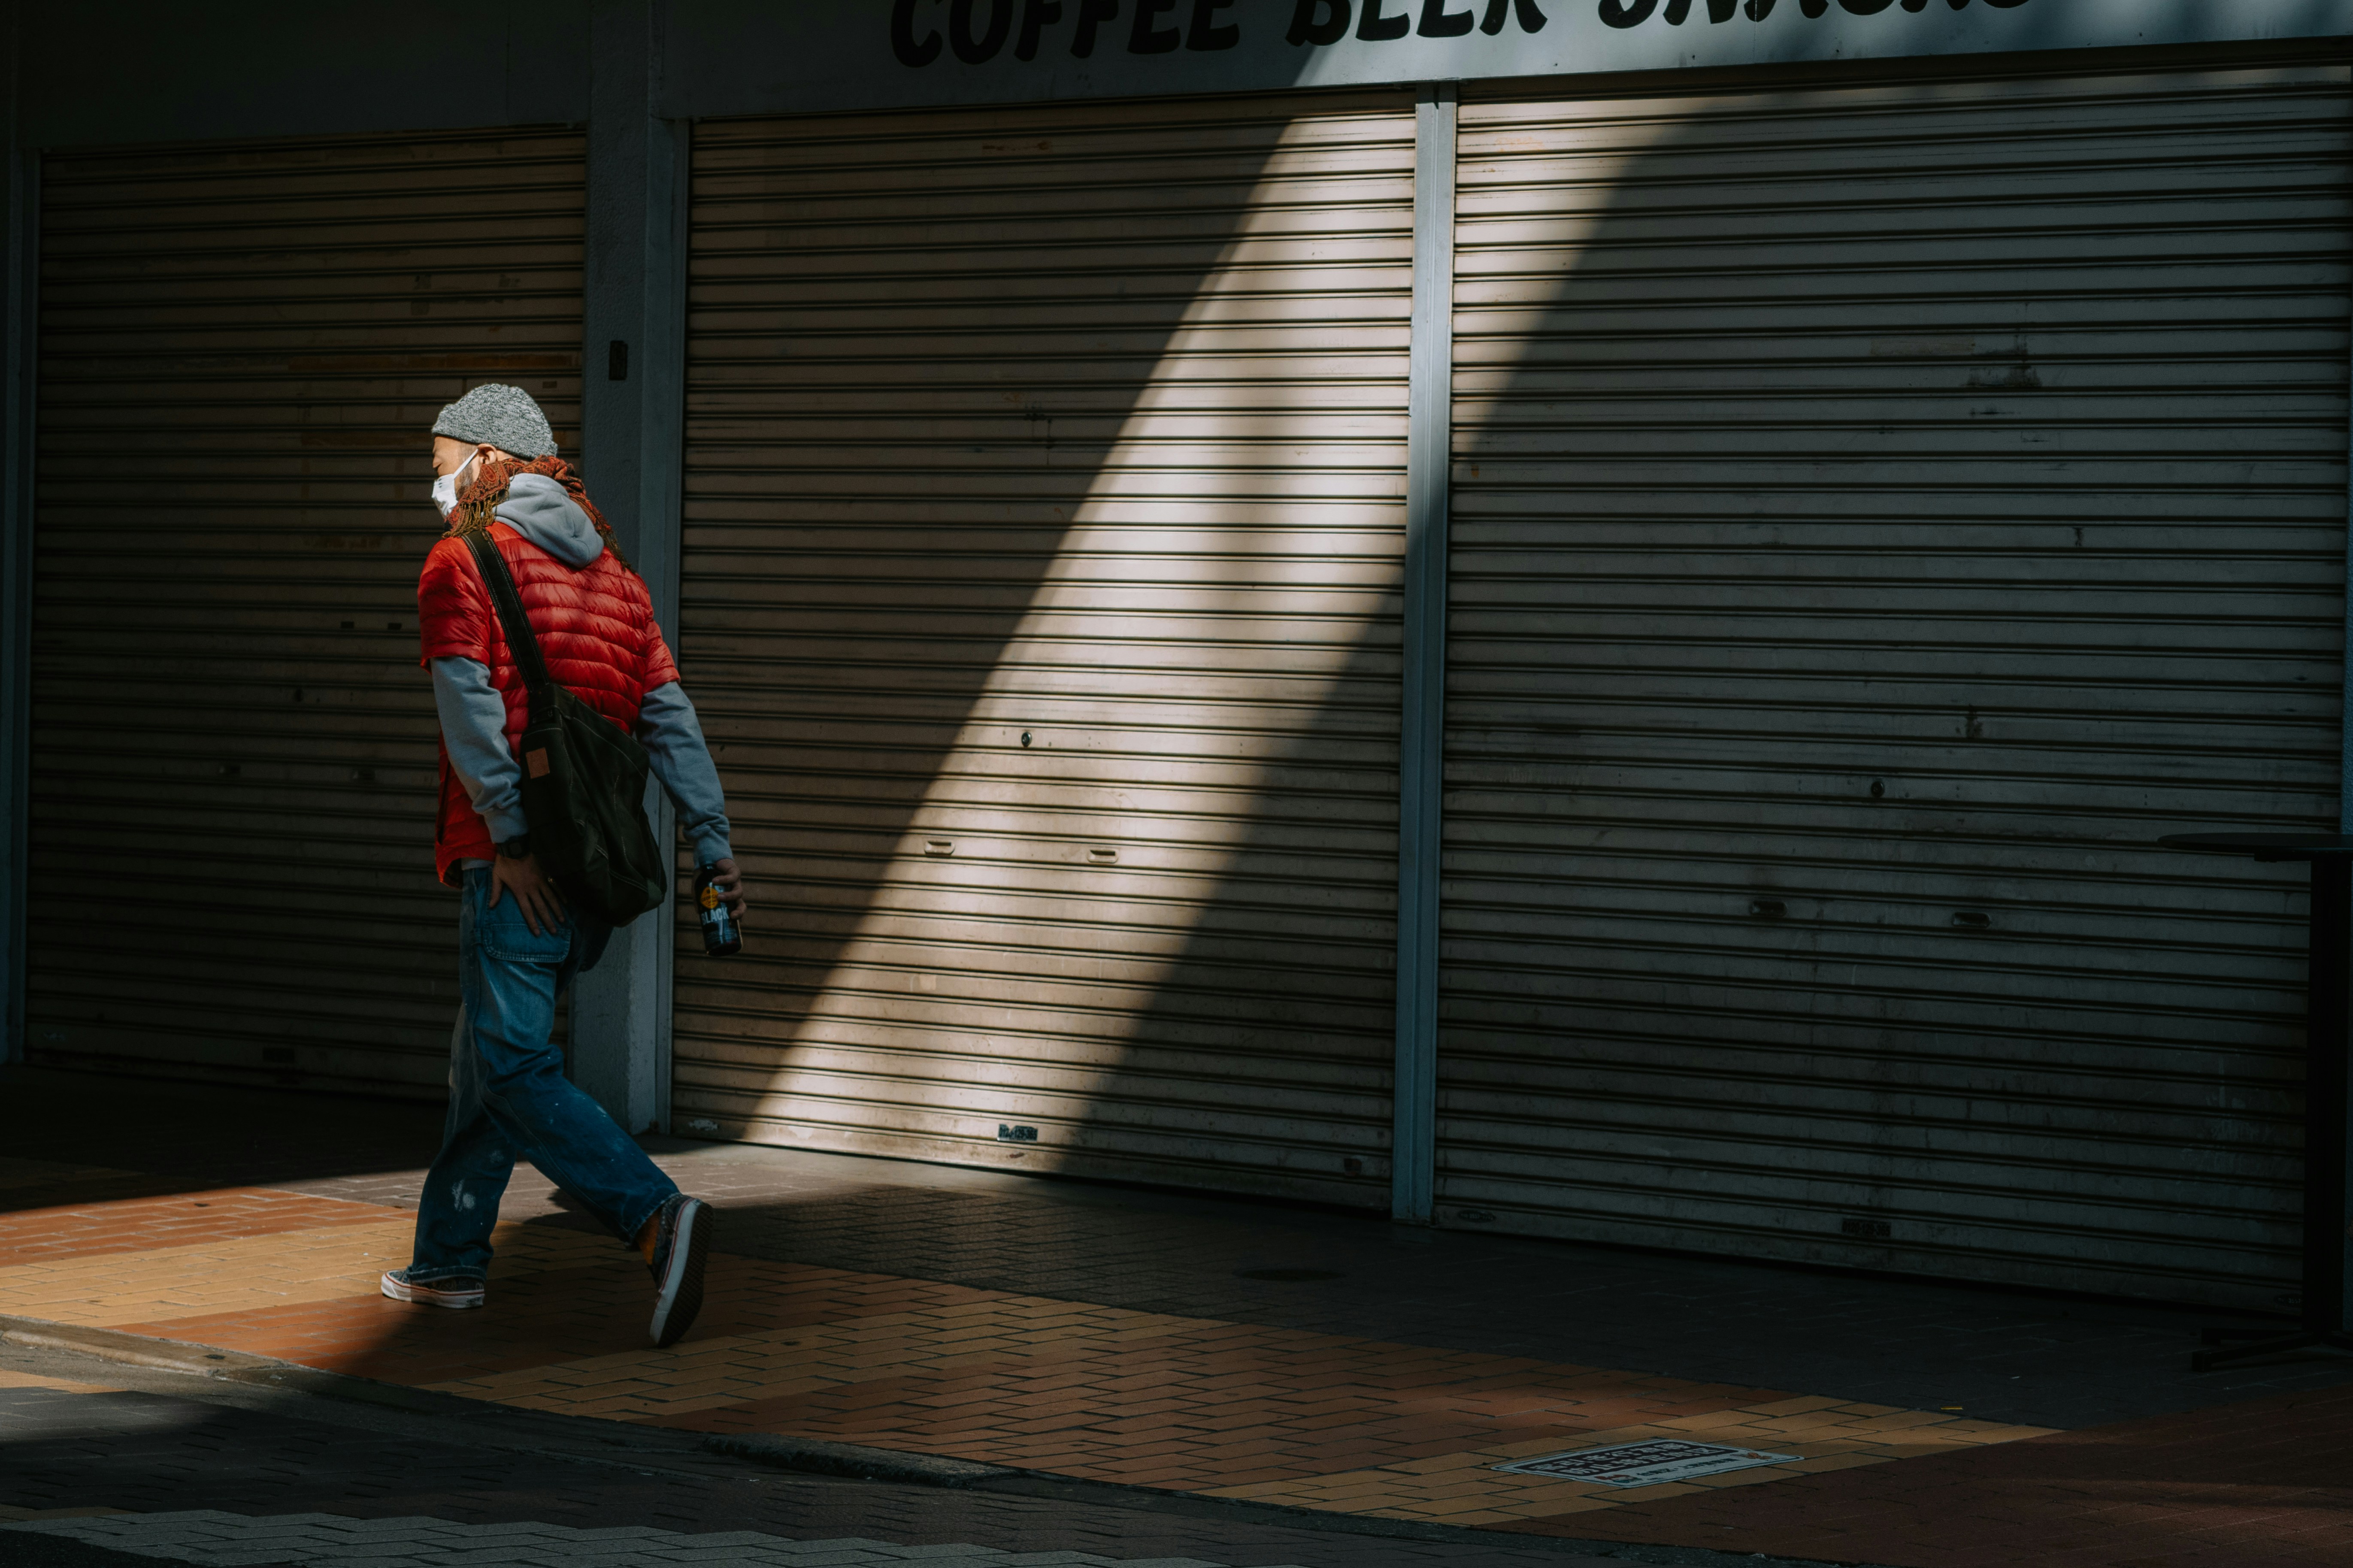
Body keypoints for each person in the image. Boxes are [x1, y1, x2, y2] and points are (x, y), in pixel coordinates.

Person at [377, 383, 745, 1350]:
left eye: (444, 464)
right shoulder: (620, 580)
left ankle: (654, 1218)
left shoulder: (462, 561)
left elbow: (469, 714)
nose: (439, 485)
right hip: (593, 866)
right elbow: (670, 717)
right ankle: (449, 1261)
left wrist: (507, 838)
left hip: (517, 866)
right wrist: (714, 846)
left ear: (492, 463)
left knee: (511, 1064)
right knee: (484, 1063)